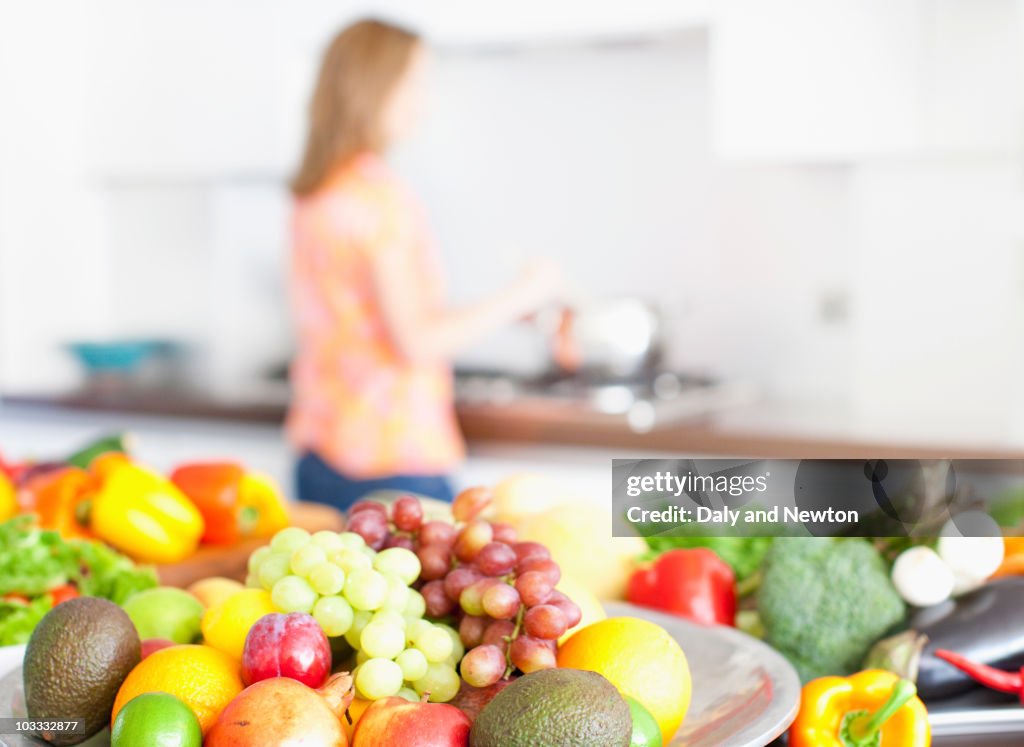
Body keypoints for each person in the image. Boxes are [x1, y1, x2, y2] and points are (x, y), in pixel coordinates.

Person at [287, 19, 561, 510]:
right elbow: (416, 342)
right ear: (372, 85)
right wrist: (526, 291)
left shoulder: (316, 193)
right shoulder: (382, 197)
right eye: (414, 82)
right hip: (396, 462)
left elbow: (373, 318)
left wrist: (501, 310)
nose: (424, 102)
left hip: (319, 455)